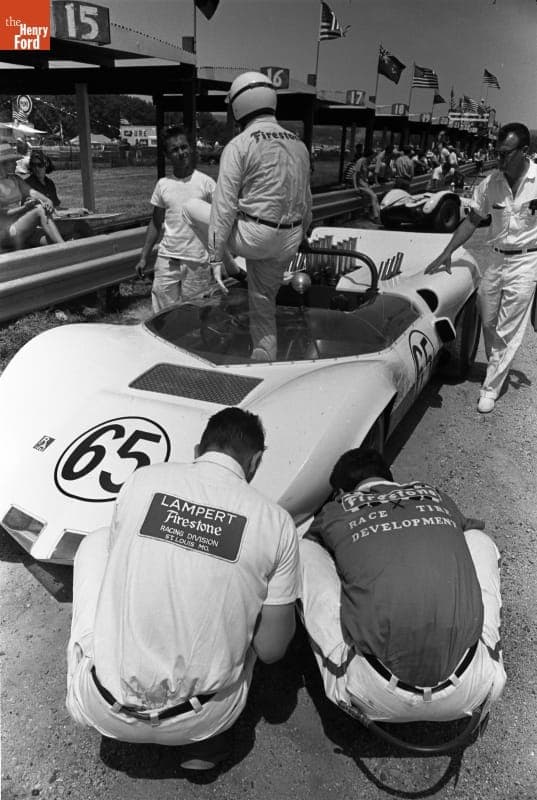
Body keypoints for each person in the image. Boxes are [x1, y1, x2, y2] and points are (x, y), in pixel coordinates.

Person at [66, 407, 299, 770]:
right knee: (255, 610)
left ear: (197, 451)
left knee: (96, 543)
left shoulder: (143, 480)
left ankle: (116, 698)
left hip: (104, 707)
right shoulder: (277, 522)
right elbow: (271, 651)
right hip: (202, 718)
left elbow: (118, 558)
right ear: (255, 462)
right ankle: (202, 747)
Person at [299, 448, 506, 725]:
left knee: (304, 551)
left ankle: (341, 668)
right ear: (389, 478)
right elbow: (466, 527)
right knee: (478, 539)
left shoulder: (337, 508)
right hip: (471, 687)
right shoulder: (433, 494)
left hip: (375, 695)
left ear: (340, 492)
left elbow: (315, 542)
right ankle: (491, 661)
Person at [183, 71, 312, 362]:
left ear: (239, 105)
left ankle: (229, 267)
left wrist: (215, 257)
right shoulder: (299, 145)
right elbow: (307, 199)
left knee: (190, 207)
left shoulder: (240, 145)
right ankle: (265, 359)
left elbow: (223, 208)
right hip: (289, 238)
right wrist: (304, 233)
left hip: (255, 238)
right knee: (263, 307)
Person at [425, 122, 537, 414]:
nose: (499, 159)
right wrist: (448, 251)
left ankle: (490, 387)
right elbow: (472, 220)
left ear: (524, 151)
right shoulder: (491, 184)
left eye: (505, 154)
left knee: (509, 327)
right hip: (497, 259)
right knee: (486, 316)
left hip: (527, 261)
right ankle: (499, 362)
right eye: (497, 153)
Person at [134, 125, 219, 312]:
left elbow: (217, 224)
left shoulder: (207, 184)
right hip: (167, 260)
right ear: (167, 155)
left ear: (190, 148)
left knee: (195, 314)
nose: (181, 153)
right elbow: (155, 223)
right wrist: (144, 257)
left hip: (197, 262)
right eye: (174, 150)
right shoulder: (163, 185)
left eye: (184, 147)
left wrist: (218, 260)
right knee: (162, 315)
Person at [0, 142, 64, 250]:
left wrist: (48, 201)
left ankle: (68, 249)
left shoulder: (16, 179)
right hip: (6, 232)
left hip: (21, 226)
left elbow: (33, 193)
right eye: (12, 162)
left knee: (67, 235)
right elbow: (3, 213)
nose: (16, 164)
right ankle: (66, 248)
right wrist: (25, 208)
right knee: (39, 210)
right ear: (3, 164)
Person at [351, 147, 380, 223]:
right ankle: (376, 217)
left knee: (375, 198)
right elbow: (354, 174)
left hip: (365, 184)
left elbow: (366, 173)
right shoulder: (360, 161)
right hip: (360, 185)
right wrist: (355, 187)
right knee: (374, 196)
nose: (373, 157)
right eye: (373, 156)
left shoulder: (367, 162)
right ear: (369, 155)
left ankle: (378, 215)